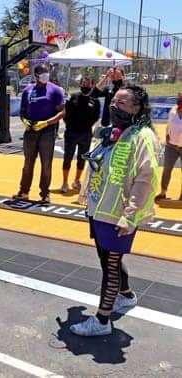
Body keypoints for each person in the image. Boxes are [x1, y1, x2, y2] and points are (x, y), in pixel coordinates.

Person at [71, 85, 160, 337]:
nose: (114, 106)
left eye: (121, 103)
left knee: (110, 265)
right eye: (114, 102)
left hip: (118, 214)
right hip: (100, 208)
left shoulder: (143, 137)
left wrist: (130, 216)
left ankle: (101, 321)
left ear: (137, 108)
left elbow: (147, 178)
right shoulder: (117, 133)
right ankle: (126, 294)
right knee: (107, 259)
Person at [14, 64, 66, 204]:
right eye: (42, 73)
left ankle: (45, 193)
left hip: (47, 131)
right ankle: (24, 191)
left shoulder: (55, 90)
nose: (45, 75)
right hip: (31, 130)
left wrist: (48, 122)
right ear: (36, 76)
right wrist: (25, 121)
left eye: (46, 72)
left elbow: (62, 111)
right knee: (28, 163)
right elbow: (23, 111)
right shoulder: (28, 90)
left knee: (46, 163)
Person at [61, 77, 100, 193]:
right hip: (71, 133)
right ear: (80, 84)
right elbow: (66, 114)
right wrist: (70, 126)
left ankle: (77, 180)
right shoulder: (73, 97)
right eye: (84, 83)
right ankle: (65, 182)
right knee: (67, 157)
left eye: (88, 84)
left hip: (86, 134)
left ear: (92, 85)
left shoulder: (94, 101)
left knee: (82, 158)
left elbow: (96, 116)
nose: (86, 86)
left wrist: (87, 126)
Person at [155, 91, 182, 201]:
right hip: (171, 146)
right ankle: (163, 192)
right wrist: (167, 134)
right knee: (167, 169)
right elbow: (169, 124)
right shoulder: (173, 111)